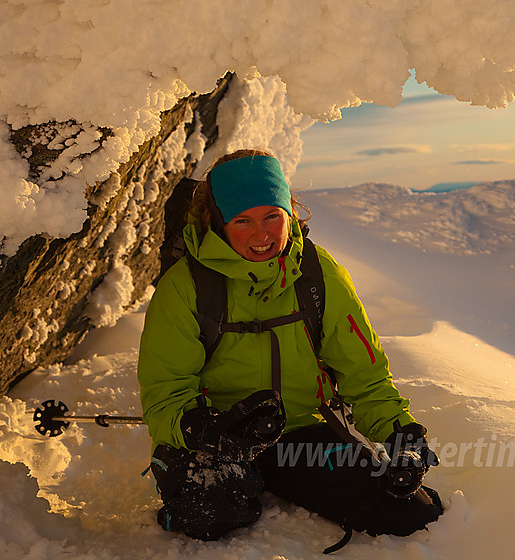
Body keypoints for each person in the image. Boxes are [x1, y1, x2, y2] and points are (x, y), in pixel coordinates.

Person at [137, 149, 443, 550]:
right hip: (216, 432)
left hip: (300, 432)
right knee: (207, 511)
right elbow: (165, 392)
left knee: (410, 513)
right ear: (218, 222)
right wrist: (203, 429)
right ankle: (187, 480)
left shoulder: (319, 274)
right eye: (242, 220)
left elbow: (365, 376)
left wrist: (400, 434)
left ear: (289, 211)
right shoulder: (185, 287)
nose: (261, 235)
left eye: (272, 216)